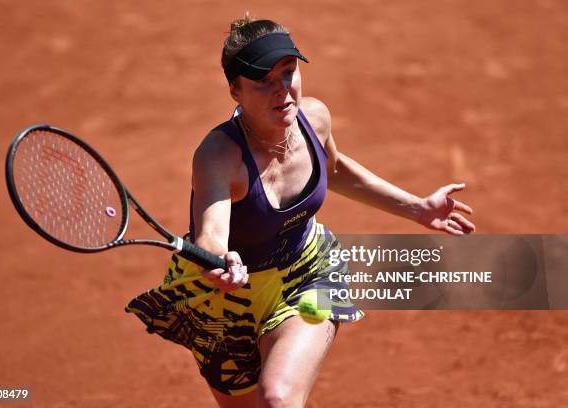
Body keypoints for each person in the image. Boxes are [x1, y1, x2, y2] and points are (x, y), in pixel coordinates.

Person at [126, 15, 475, 408]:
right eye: (263, 81)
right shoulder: (218, 156)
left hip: (306, 271)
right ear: (234, 91)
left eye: (288, 73)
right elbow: (211, 234)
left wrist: (417, 207)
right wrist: (219, 262)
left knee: (277, 398)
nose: (283, 90)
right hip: (227, 300)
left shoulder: (315, 118)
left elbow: (333, 169)